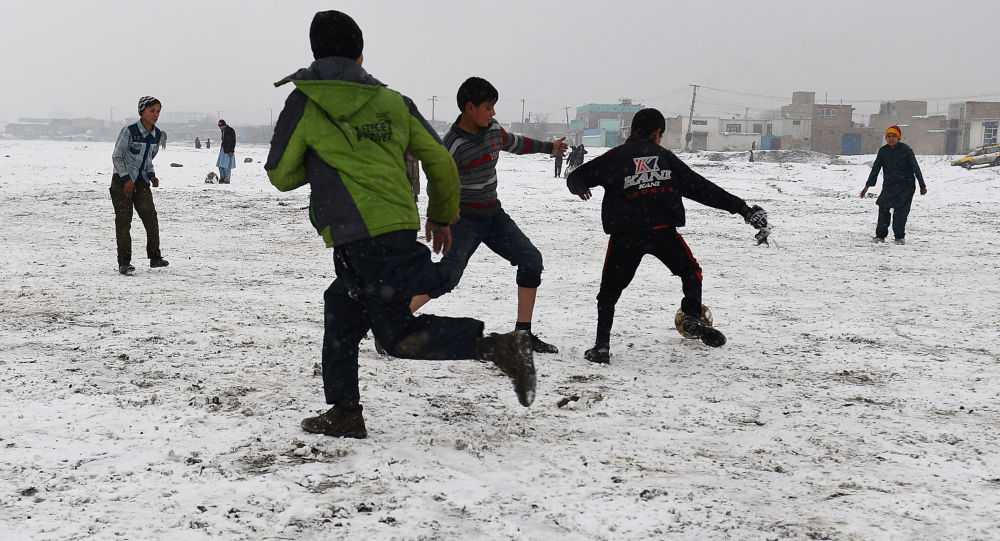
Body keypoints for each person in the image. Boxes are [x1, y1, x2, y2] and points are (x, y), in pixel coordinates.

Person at [265, 10, 536, 439]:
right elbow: (442, 164)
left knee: (395, 336)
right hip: (390, 229)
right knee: (340, 309)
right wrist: (441, 215)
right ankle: (346, 412)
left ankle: (499, 347)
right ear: (360, 54)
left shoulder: (305, 101)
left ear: (314, 53)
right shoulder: (394, 102)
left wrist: (324, 162)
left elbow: (280, 174)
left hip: (358, 235)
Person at [567, 108, 769, 363]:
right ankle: (692, 316)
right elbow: (702, 188)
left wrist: (580, 188)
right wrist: (742, 209)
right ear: (657, 133)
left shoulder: (615, 157)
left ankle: (602, 347)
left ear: (632, 131)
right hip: (662, 232)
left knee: (609, 292)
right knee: (691, 273)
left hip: (626, 236)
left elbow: (576, 177)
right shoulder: (665, 158)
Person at [407, 77, 569, 353]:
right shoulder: (453, 144)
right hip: (464, 220)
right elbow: (437, 180)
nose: (493, 113)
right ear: (470, 108)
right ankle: (392, 320)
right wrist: (446, 212)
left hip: (494, 216)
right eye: (488, 107)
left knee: (531, 260)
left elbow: (516, 142)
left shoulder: (493, 130)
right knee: (448, 276)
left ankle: (523, 335)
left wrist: (548, 147)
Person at [109, 96, 170, 275]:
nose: (155, 114)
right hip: (122, 182)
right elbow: (117, 157)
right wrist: (126, 179)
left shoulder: (157, 135)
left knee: (151, 219)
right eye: (151, 111)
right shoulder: (129, 131)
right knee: (123, 222)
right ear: (142, 111)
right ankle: (124, 262)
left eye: (158, 111)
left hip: (142, 183)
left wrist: (152, 175)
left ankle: (155, 257)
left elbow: (148, 160)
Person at [860, 125, 927, 245]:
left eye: (894, 136)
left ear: (899, 138)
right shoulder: (883, 151)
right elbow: (875, 169)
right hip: (889, 186)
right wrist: (867, 186)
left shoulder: (906, 150)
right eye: (889, 136)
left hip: (906, 186)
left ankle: (899, 237)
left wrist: (922, 185)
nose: (891, 139)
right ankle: (880, 236)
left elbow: (915, 168)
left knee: (900, 213)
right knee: (883, 209)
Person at [217, 119, 237, 183]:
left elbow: (233, 141)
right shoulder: (223, 131)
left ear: (223, 125)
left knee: (226, 166)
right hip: (223, 149)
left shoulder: (230, 130)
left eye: (220, 126)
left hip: (228, 151)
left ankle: (227, 179)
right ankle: (222, 178)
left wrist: (231, 151)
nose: (220, 127)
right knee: (220, 165)